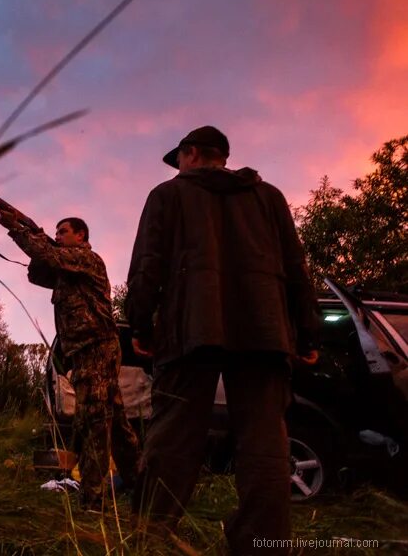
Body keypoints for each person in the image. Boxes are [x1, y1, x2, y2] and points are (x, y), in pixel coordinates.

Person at [125, 126, 320, 554]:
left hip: (191, 328)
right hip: (266, 332)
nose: (177, 167)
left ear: (191, 153)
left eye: (178, 158)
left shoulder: (168, 195)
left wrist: (139, 325)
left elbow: (147, 264)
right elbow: (296, 267)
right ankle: (262, 546)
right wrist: (306, 331)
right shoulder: (269, 197)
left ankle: (147, 537)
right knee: (266, 442)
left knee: (174, 434)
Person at [0, 211, 141, 511]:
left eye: (63, 231)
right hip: (86, 350)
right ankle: (142, 486)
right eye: (57, 232)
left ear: (81, 237)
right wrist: (31, 233)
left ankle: (93, 500)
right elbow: (37, 272)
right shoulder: (65, 270)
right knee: (115, 424)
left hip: (96, 346)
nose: (58, 235)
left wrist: (18, 230)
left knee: (93, 421)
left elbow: (49, 257)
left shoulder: (87, 259)